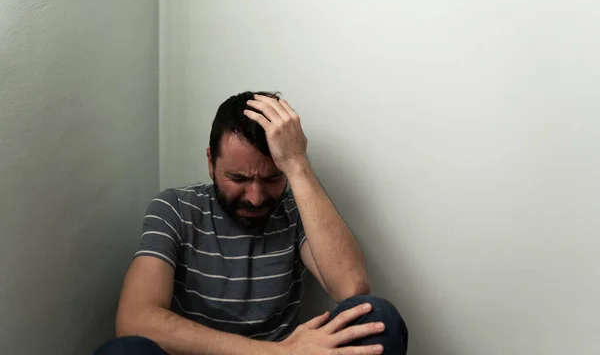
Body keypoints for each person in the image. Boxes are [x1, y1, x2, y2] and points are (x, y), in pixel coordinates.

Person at [94, 92, 408, 354]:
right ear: (210, 163)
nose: (256, 198)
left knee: (378, 316)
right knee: (123, 352)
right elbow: (135, 319)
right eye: (238, 178)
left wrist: (297, 164)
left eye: (273, 177)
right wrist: (279, 353)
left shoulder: (296, 210)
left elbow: (352, 287)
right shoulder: (175, 208)